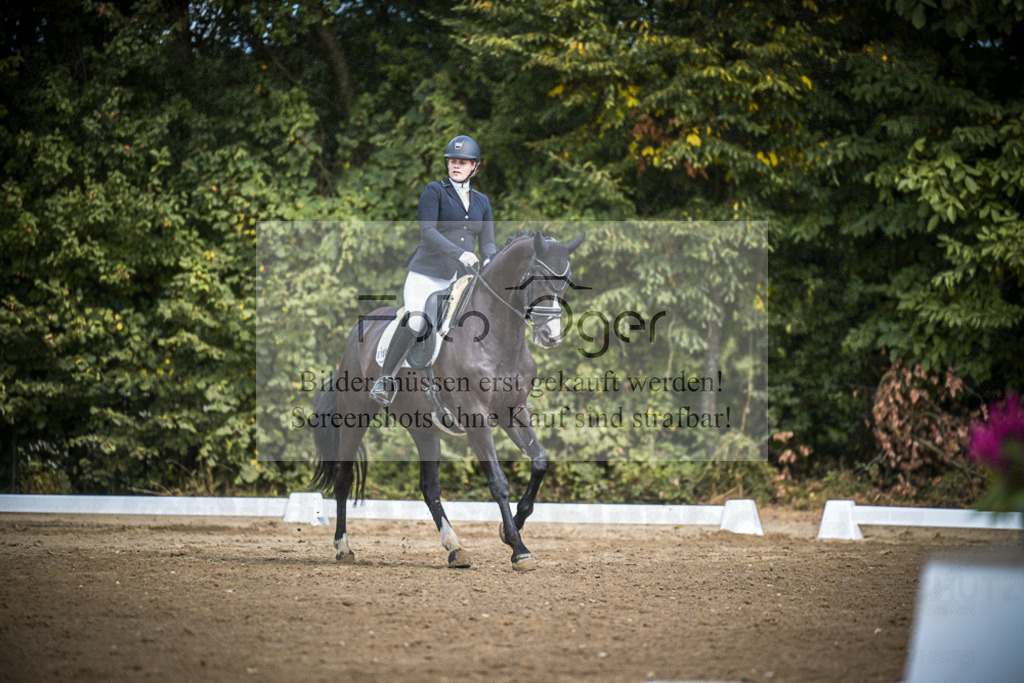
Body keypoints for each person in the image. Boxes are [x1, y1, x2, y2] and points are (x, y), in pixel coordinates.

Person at [370, 135, 496, 406]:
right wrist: (460, 253)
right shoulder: (434, 191)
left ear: (475, 166)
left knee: (477, 325)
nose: (455, 166)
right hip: (426, 276)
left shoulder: (482, 202)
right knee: (417, 321)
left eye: (462, 162)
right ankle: (386, 378)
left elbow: (487, 244)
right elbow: (427, 231)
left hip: (459, 281)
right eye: (452, 161)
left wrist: (490, 262)